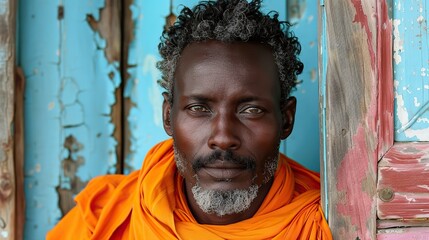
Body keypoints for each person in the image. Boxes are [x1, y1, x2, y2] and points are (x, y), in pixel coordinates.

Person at [47, 0, 332, 239]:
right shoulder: (106, 219)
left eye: (251, 110)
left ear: (286, 120)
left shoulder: (332, 223)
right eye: (199, 108)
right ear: (168, 116)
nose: (222, 137)